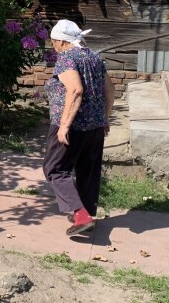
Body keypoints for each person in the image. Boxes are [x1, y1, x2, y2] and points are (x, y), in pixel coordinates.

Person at [42, 19, 115, 236]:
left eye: (54, 42)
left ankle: (80, 215)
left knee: (55, 169)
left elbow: (75, 90)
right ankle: (85, 213)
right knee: (88, 171)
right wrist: (105, 118)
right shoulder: (94, 57)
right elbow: (110, 90)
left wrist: (64, 126)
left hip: (73, 125)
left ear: (61, 41)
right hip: (95, 126)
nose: (53, 46)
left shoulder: (66, 58)